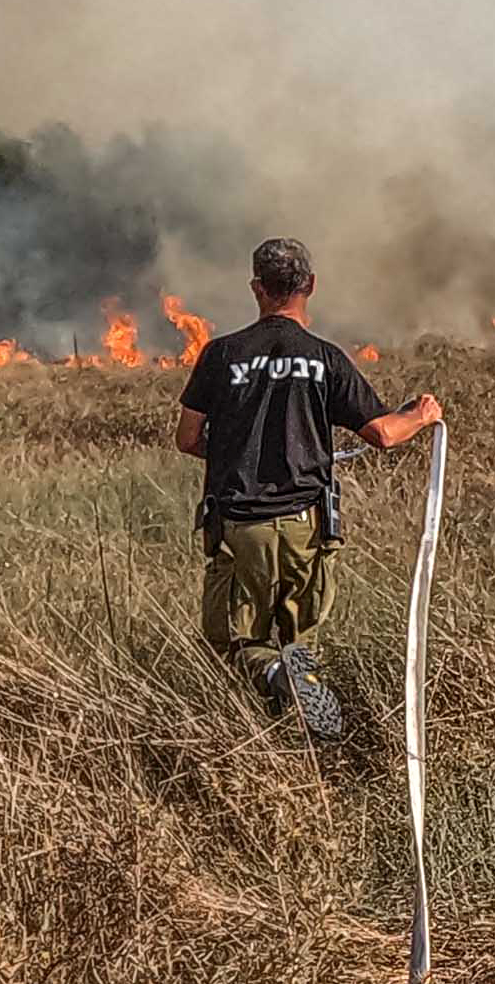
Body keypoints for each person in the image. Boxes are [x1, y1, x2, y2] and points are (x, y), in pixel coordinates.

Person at [176, 237, 443, 738]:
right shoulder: (326, 359)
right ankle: (310, 738)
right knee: (302, 641)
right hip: (306, 528)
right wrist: (421, 415)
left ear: (257, 288)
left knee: (234, 639)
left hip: (241, 529)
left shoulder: (221, 354)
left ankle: (277, 683)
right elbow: (383, 434)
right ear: (311, 286)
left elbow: (187, 438)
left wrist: (237, 453)